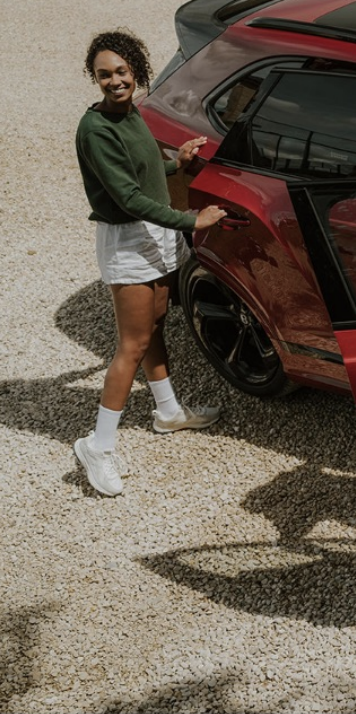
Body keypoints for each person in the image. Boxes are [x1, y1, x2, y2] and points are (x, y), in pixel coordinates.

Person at [74, 30, 228, 497]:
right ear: (94, 79)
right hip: (128, 240)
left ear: (135, 71)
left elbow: (141, 173)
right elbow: (127, 196)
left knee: (157, 324)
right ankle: (97, 446)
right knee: (132, 344)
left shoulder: (131, 113)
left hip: (153, 234)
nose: (114, 81)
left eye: (121, 72)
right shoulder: (96, 129)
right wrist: (191, 219)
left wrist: (175, 164)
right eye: (105, 75)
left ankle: (167, 412)